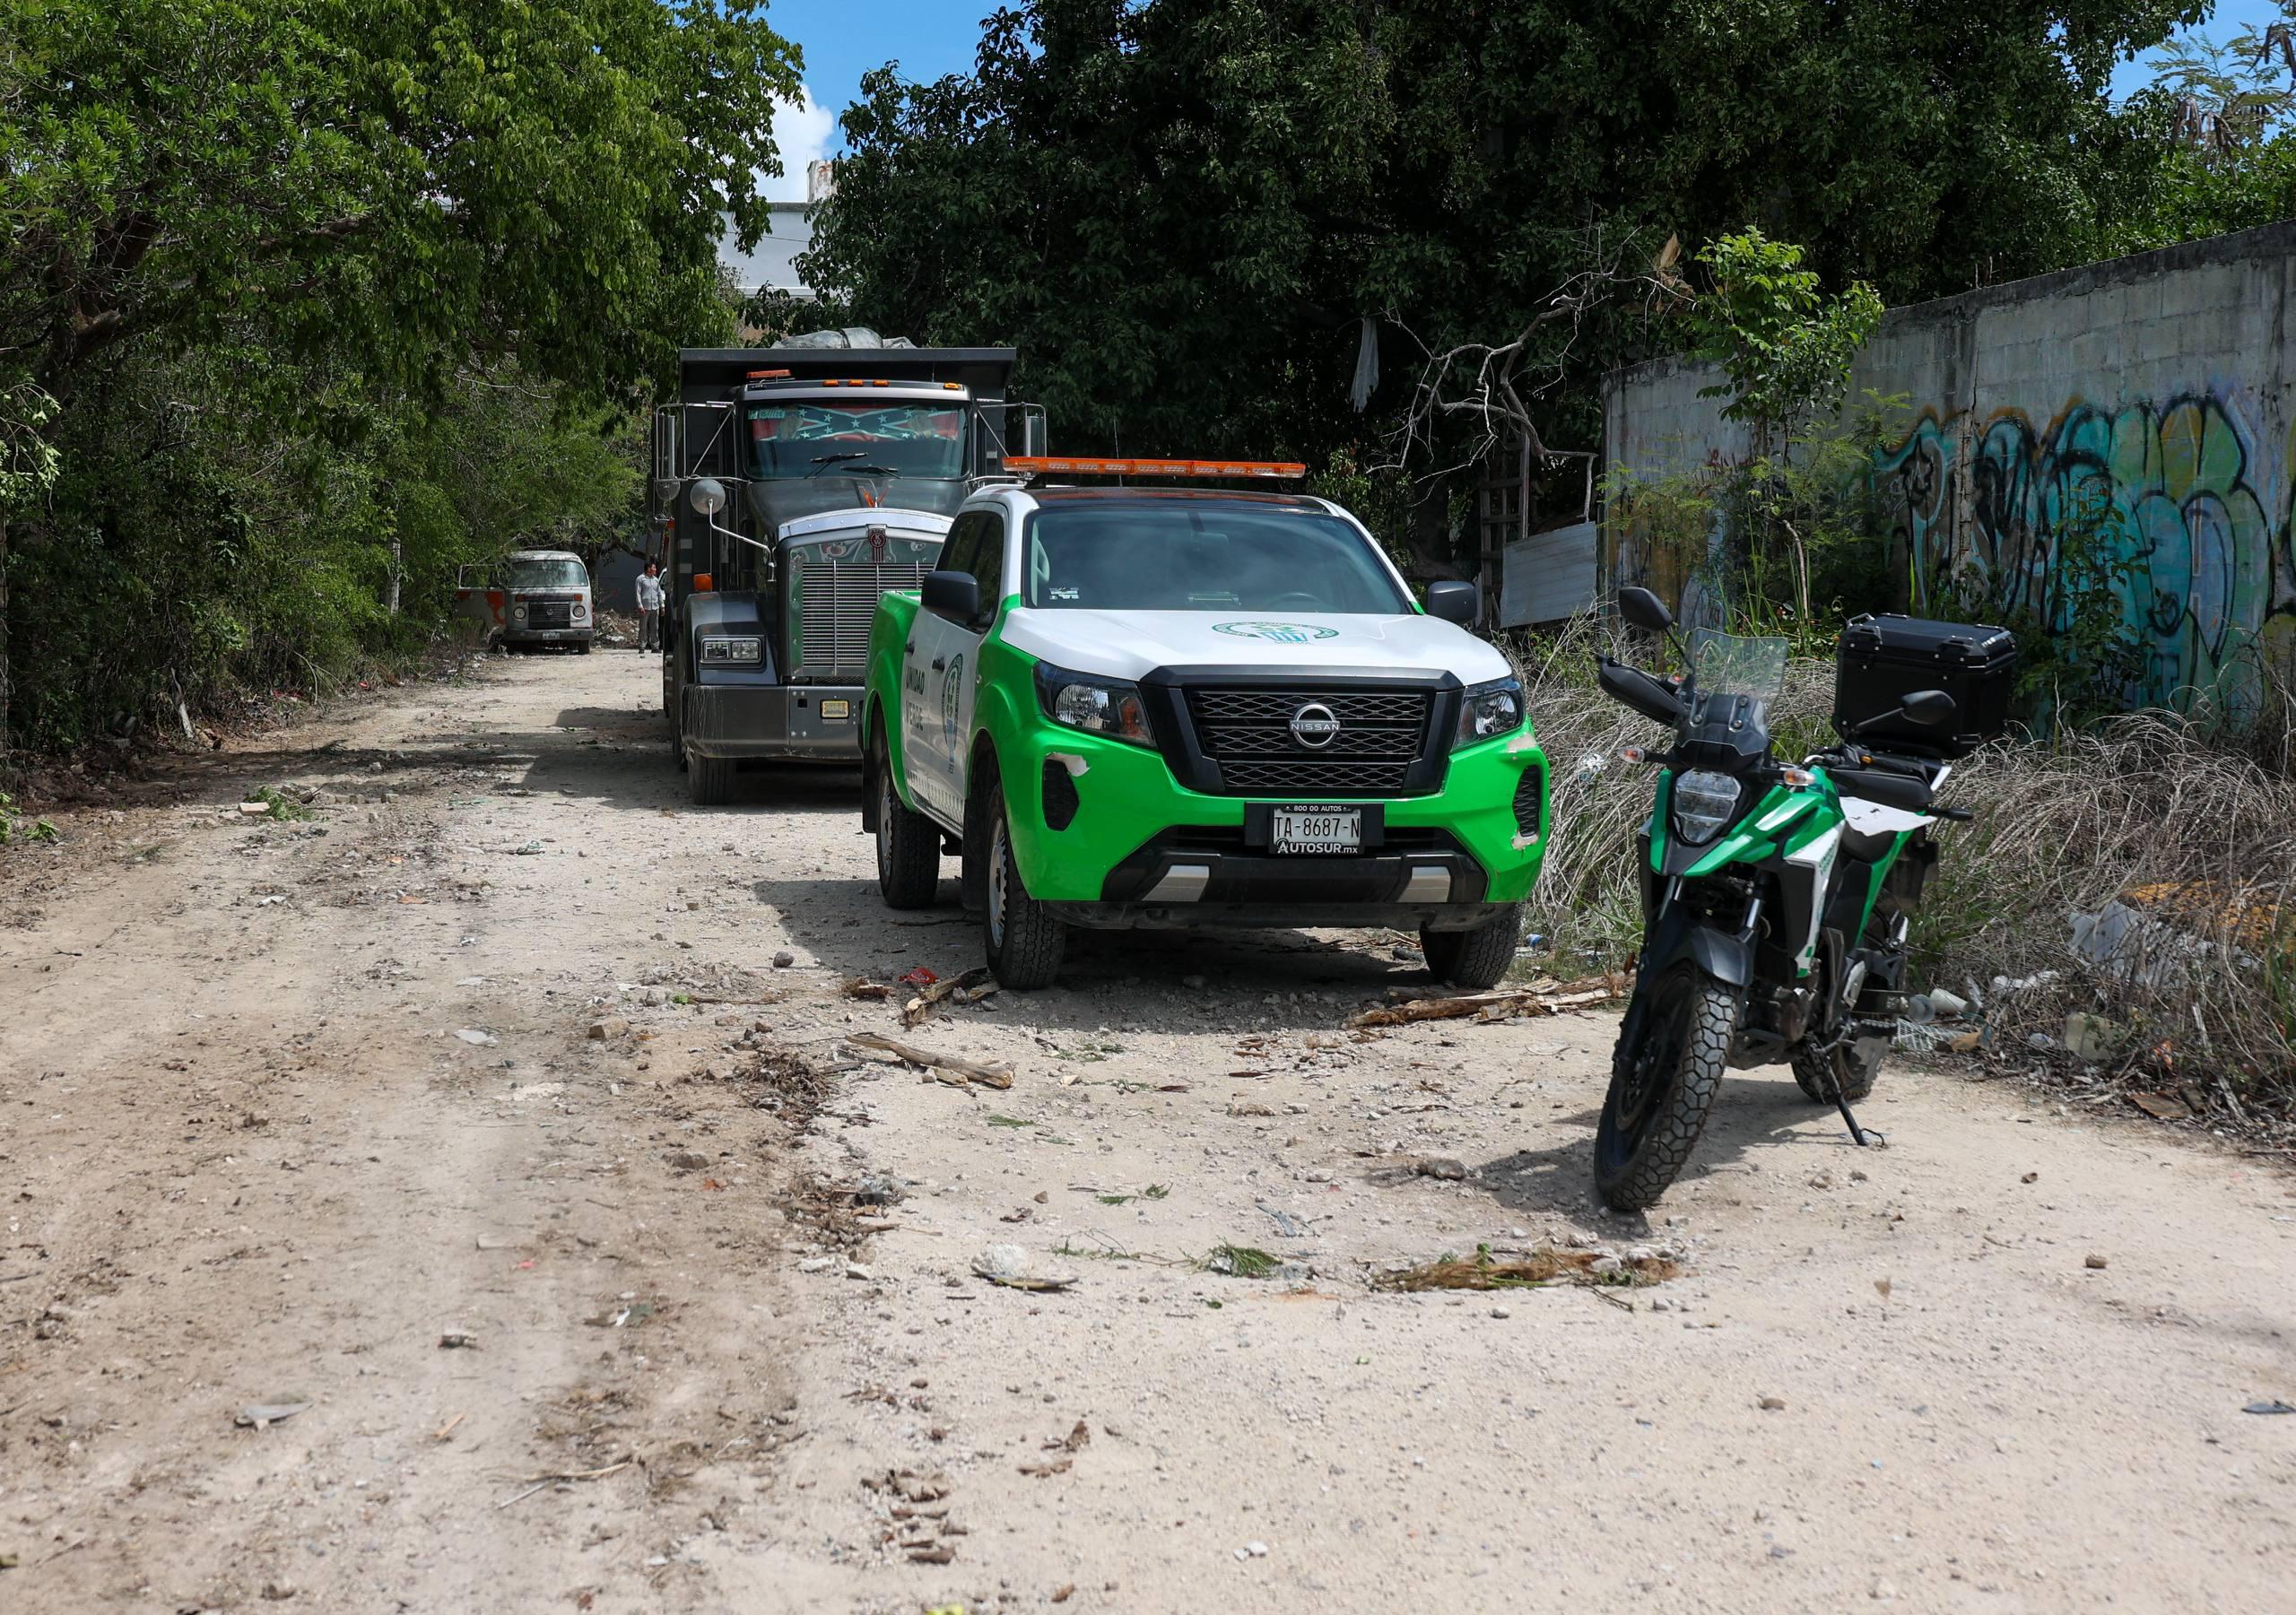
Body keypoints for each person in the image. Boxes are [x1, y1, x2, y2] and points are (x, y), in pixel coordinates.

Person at [635, 561, 665, 652]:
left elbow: (659, 594)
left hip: (655, 607)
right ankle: (642, 646)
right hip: (645, 608)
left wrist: (662, 606)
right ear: (648, 569)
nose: (655, 569)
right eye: (654, 568)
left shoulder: (656, 580)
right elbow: (638, 593)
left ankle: (655, 646)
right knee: (643, 628)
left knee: (654, 628)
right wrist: (640, 606)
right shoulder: (640, 579)